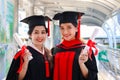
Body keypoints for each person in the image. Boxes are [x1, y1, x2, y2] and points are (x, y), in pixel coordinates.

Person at [52, 11, 98, 80]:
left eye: (69, 27)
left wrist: (81, 64)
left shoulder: (85, 51)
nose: (65, 32)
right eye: (62, 28)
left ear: (76, 28)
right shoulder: (55, 50)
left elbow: (92, 77)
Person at [6, 15, 52, 80]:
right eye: (36, 32)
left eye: (43, 32)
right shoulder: (23, 54)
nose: (40, 36)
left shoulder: (48, 53)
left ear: (46, 34)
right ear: (30, 34)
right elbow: (16, 78)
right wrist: (25, 63)